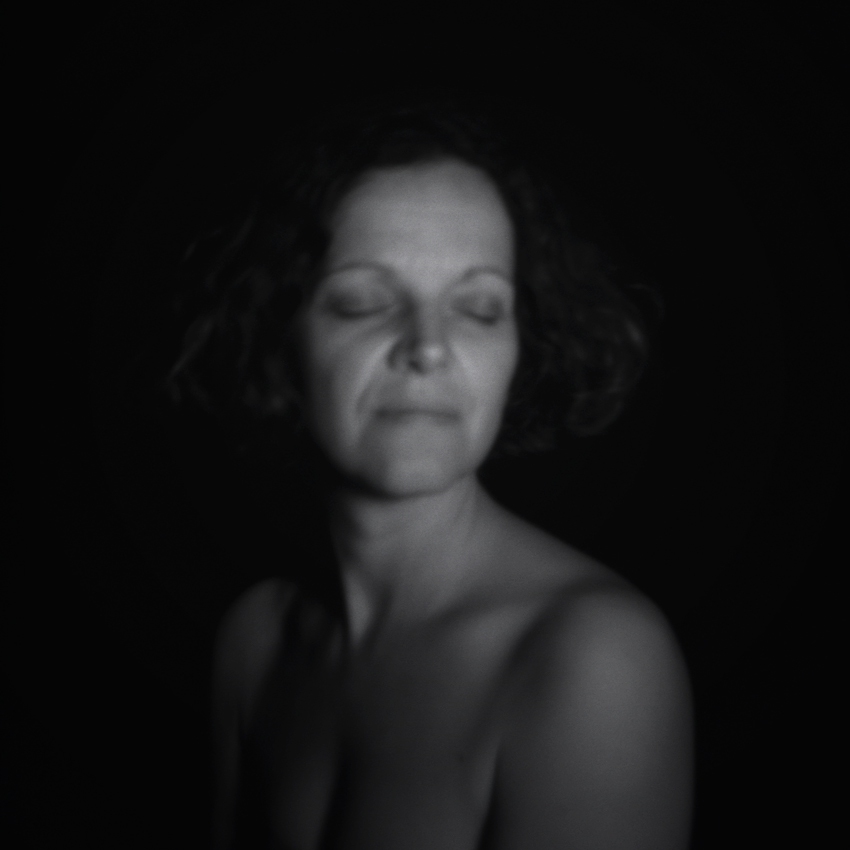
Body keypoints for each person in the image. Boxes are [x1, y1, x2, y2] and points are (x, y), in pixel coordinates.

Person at [166, 98, 693, 850]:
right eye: (363, 302)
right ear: (277, 336)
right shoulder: (255, 643)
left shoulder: (592, 662)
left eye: (479, 309)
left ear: (521, 347)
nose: (428, 346)